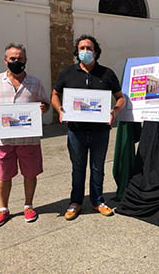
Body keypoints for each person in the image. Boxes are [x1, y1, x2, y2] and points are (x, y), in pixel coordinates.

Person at [51, 34, 125, 220]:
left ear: (96, 52)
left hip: (100, 130)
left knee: (98, 167)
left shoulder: (107, 73)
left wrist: (114, 111)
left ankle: (97, 201)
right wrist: (60, 110)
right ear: (77, 51)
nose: (85, 51)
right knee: (78, 167)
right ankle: (75, 202)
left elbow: (121, 97)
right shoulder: (67, 73)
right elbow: (54, 94)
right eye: (82, 48)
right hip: (76, 130)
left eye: (89, 48)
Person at [0, 43, 50, 227]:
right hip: (4, 139)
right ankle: (3, 209)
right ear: (5, 60)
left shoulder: (35, 83)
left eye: (20, 58)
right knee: (4, 175)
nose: (16, 61)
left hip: (29, 139)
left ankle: (28, 206)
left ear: (25, 60)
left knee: (30, 173)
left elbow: (45, 103)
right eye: (12, 58)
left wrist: (44, 108)